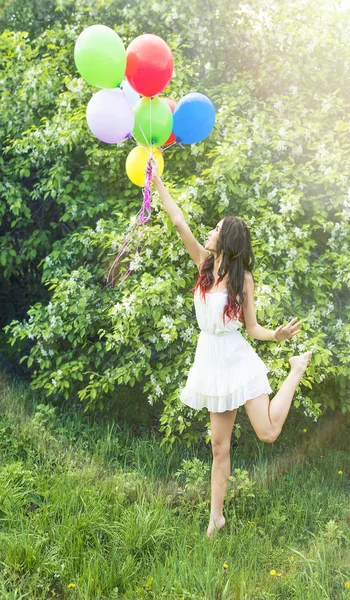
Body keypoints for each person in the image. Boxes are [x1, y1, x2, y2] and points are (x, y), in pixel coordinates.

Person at [149, 158, 312, 539]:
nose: (209, 231)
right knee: (219, 449)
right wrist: (156, 182)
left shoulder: (245, 280)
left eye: (217, 229)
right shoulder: (204, 265)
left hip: (238, 359)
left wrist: (277, 336)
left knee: (268, 432)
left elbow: (252, 327)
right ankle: (215, 519)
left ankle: (295, 370)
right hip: (210, 361)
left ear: (228, 239)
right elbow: (178, 222)